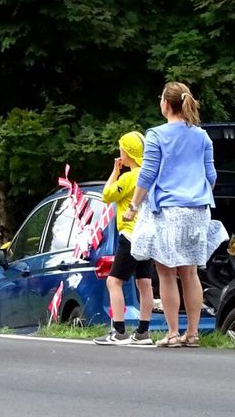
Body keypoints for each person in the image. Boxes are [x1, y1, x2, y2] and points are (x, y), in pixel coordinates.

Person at [125, 82, 225, 348]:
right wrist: (197, 193)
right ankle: (192, 334)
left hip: (169, 210)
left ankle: (171, 333)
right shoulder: (202, 136)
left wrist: (133, 206)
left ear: (166, 104)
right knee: (190, 273)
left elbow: (147, 175)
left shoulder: (157, 135)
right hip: (197, 210)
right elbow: (211, 176)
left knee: (167, 273)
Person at [93, 132, 154, 345]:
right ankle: (143, 332)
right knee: (144, 283)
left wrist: (114, 172)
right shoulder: (150, 175)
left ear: (128, 153)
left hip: (130, 235)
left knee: (114, 281)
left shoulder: (129, 177)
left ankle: (118, 331)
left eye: (121, 149)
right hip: (147, 236)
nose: (119, 153)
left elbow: (107, 195)